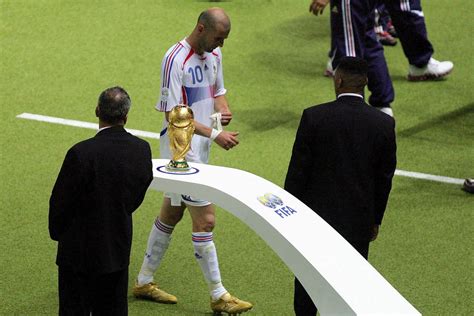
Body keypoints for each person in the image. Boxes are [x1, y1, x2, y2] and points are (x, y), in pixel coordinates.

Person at [132, 8, 253, 315]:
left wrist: (223, 111)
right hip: (180, 151)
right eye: (218, 38)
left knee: (172, 212)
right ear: (201, 29)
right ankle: (218, 295)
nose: (221, 45)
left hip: (203, 145)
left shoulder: (214, 55)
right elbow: (174, 115)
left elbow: (219, 92)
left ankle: (144, 280)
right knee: (206, 219)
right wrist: (215, 134)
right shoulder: (175, 59)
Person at [284, 56, 397, 315]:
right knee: (351, 286)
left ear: (338, 80)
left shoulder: (314, 117)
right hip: (358, 221)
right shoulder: (383, 124)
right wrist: (375, 220)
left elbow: (297, 173)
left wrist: (288, 215)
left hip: (313, 218)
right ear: (366, 83)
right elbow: (384, 179)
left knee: (308, 285)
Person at [49, 86, 153, 315]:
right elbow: (137, 195)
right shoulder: (142, 150)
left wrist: (58, 234)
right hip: (115, 248)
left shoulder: (80, 153)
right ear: (125, 116)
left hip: (77, 253)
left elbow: (60, 202)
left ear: (97, 111)